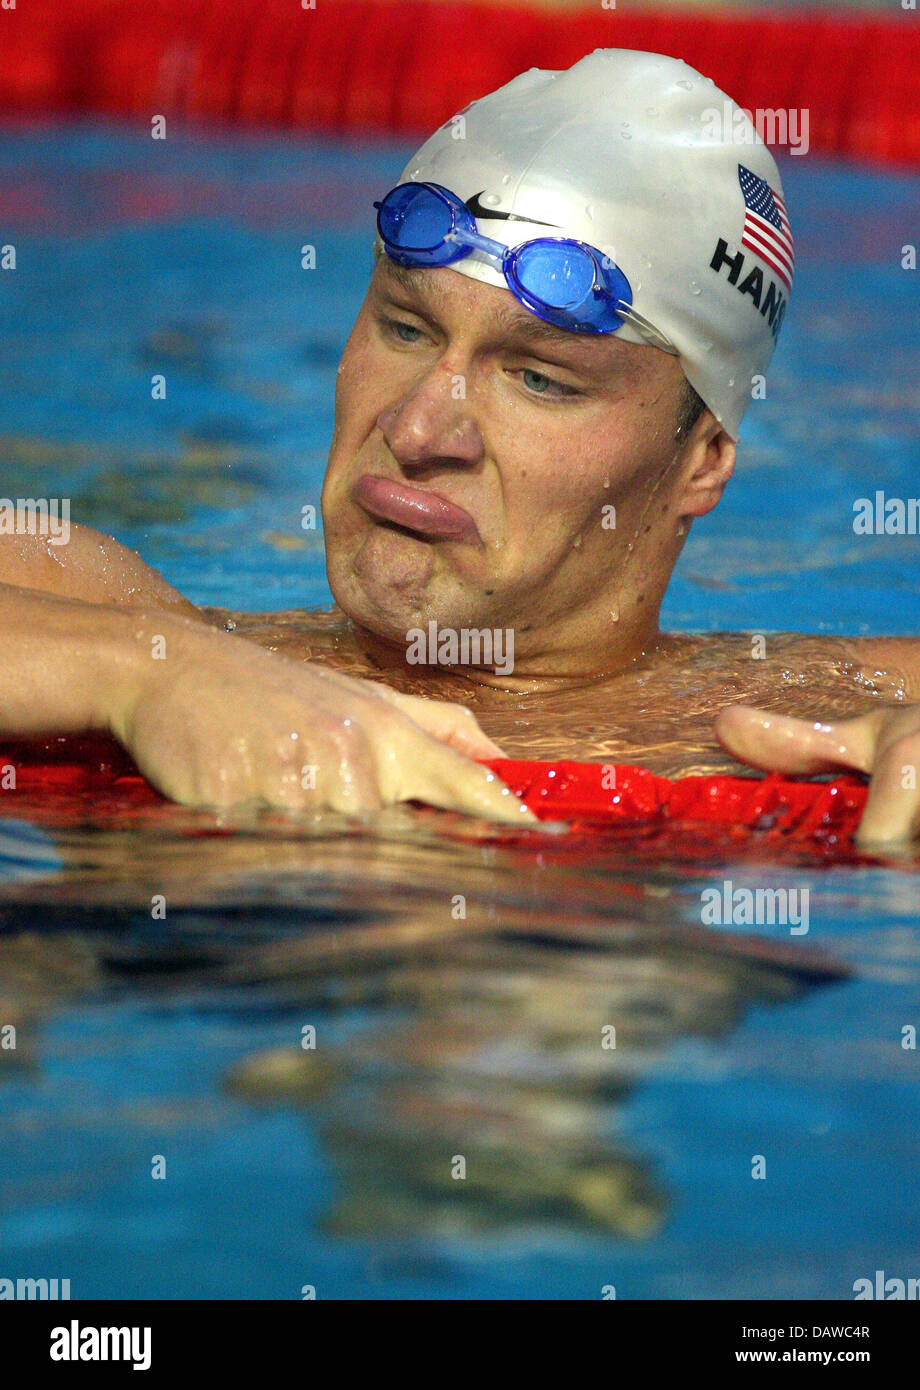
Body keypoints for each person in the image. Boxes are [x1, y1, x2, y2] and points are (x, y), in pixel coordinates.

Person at [1, 49, 918, 843]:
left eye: (540, 379)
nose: (415, 430)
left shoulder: (814, 711)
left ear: (701, 462)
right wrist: (141, 673)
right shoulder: (144, 631)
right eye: (405, 329)